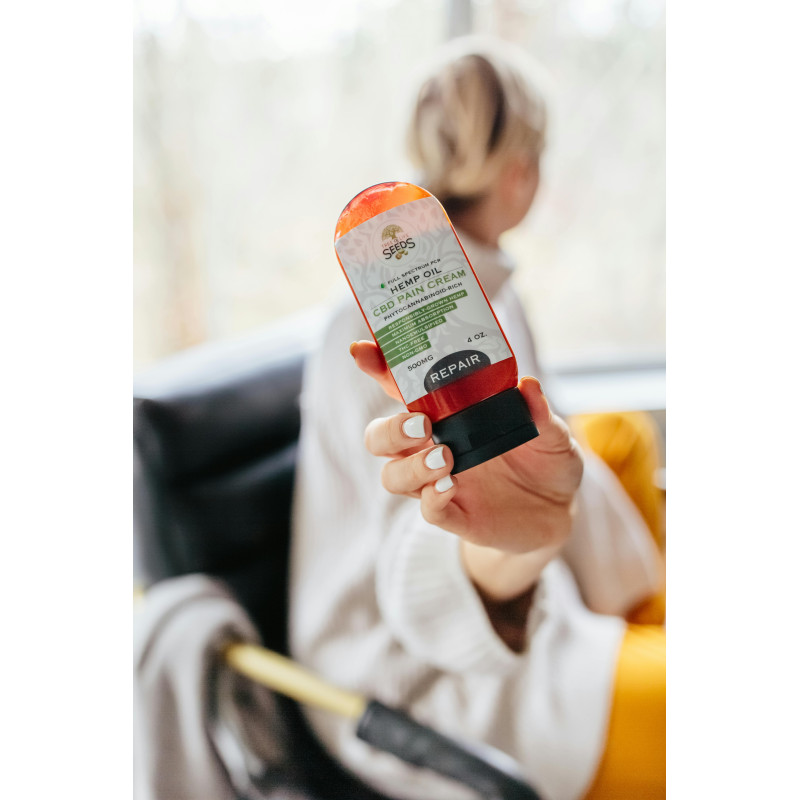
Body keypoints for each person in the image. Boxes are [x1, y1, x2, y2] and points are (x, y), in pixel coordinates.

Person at [289, 36, 665, 800]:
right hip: (422, 674)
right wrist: (508, 565)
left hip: (524, 587)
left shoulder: (495, 294)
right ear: (520, 173)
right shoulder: (373, 334)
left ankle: (639, 616)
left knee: (619, 431)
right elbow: (423, 549)